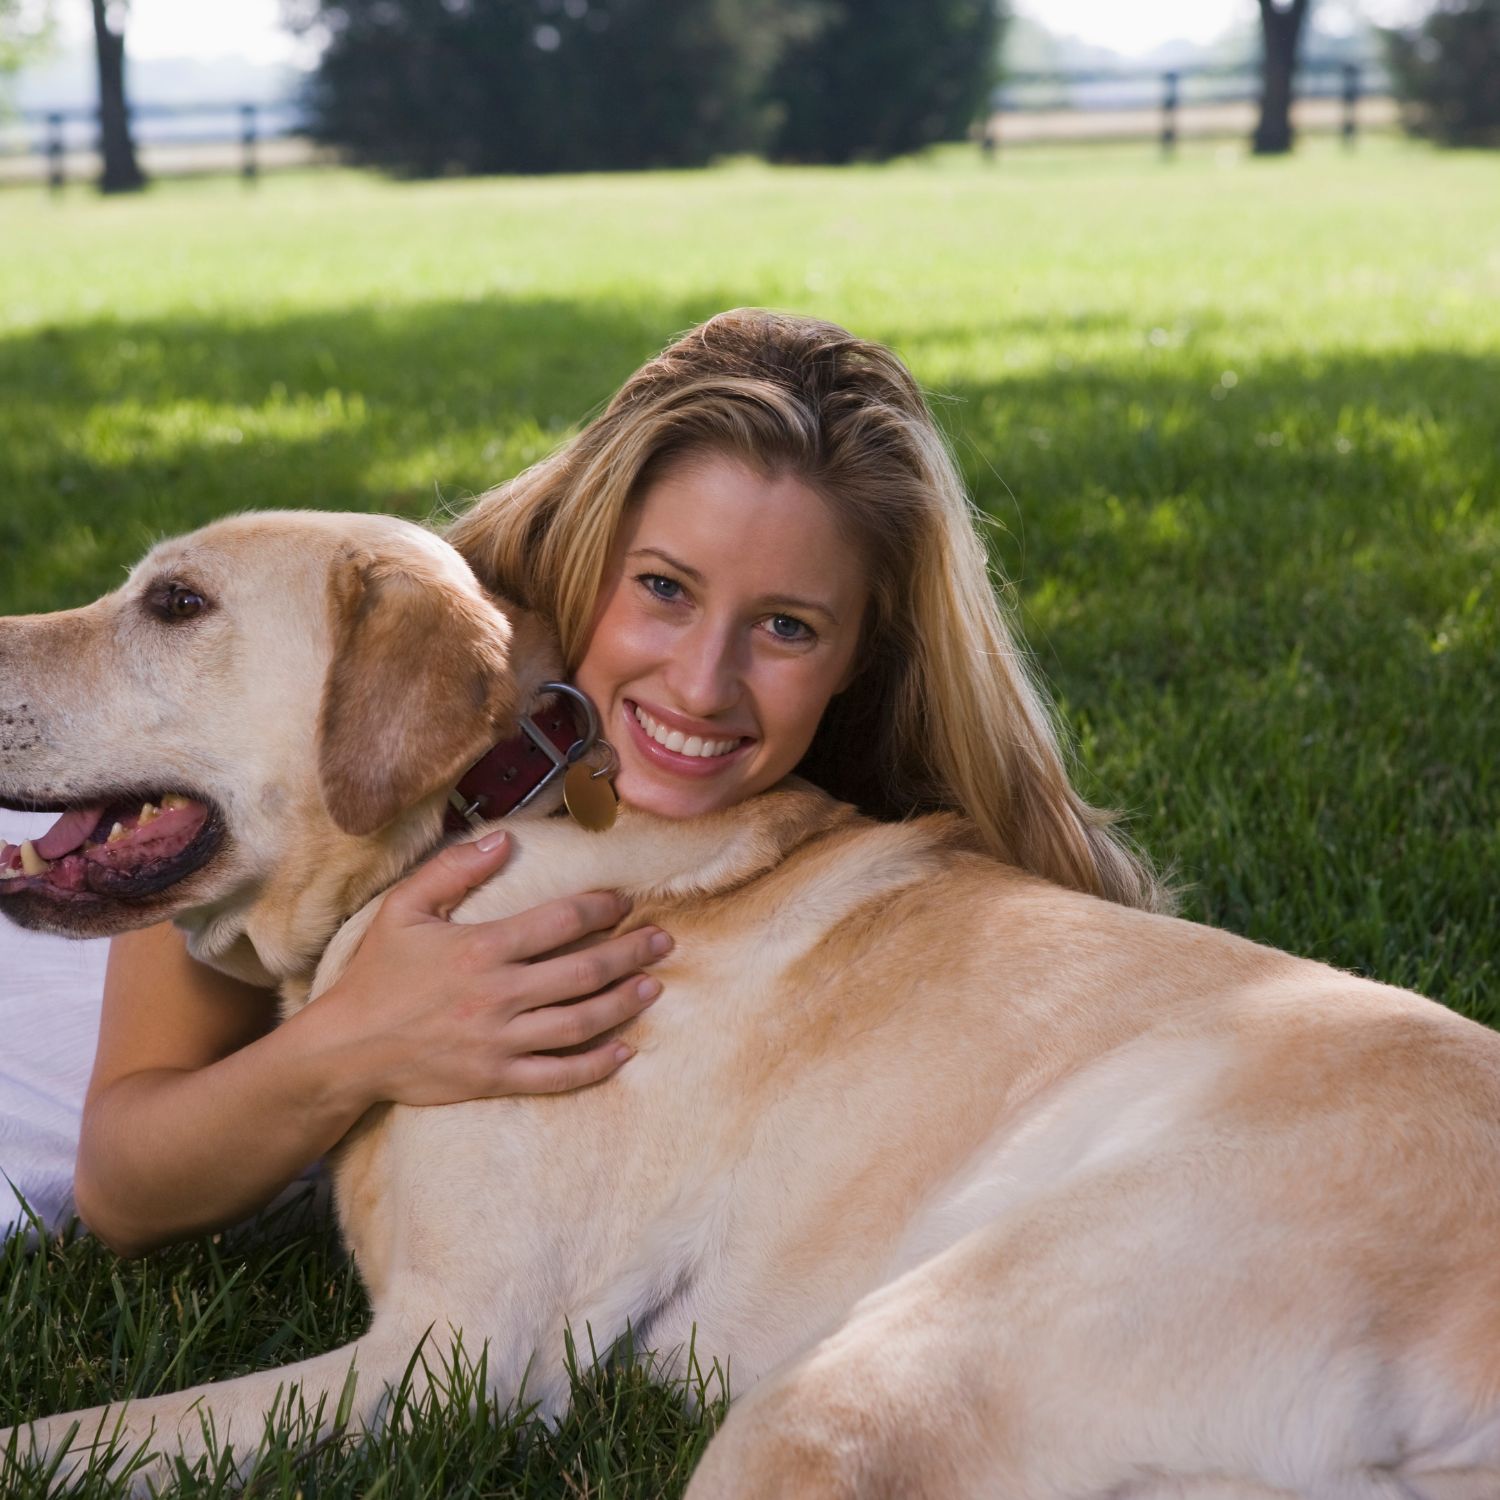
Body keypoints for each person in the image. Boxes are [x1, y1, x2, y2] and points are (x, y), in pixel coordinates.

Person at [6, 308, 1163, 1256]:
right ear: (582, 545)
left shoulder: (884, 800)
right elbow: (123, 1181)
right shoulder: (361, 686)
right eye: (662, 587)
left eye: (789, 625)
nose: (703, 685)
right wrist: (355, 1043)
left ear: (868, 653)